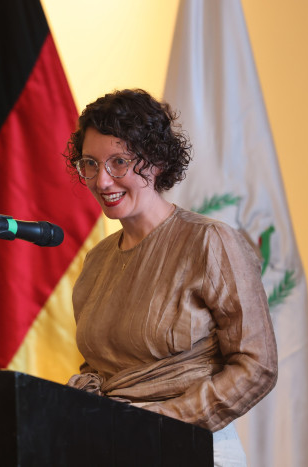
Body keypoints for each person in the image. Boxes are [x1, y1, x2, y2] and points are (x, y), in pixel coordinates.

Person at [64, 89, 278, 466]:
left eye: (119, 162)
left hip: (191, 448)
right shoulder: (96, 261)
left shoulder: (211, 241)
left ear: (157, 161)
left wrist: (159, 424)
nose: (102, 181)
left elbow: (257, 365)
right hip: (112, 448)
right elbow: (97, 368)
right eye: (91, 164)